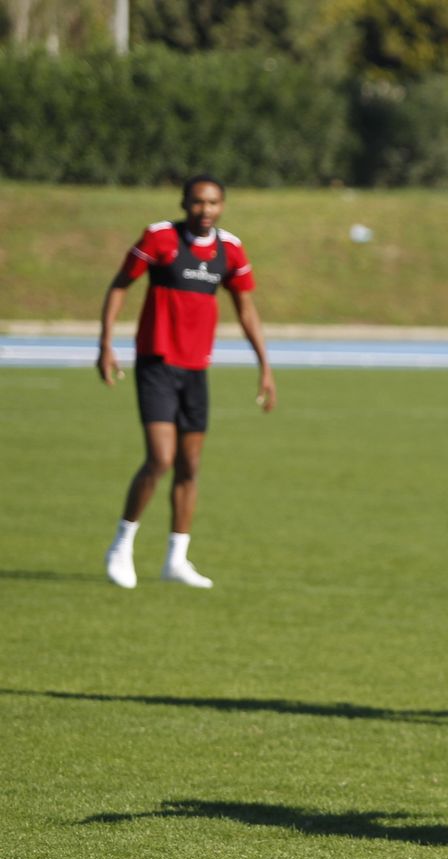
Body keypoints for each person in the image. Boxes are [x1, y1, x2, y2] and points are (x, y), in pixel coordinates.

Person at [97, 174, 275, 590]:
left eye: (213, 203)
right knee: (160, 458)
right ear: (184, 203)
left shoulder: (230, 250)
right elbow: (120, 286)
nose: (205, 210)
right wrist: (106, 343)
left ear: (222, 206)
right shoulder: (159, 239)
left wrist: (265, 365)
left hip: (196, 368)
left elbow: (246, 309)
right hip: (157, 363)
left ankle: (176, 558)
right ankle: (122, 545)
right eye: (197, 202)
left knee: (189, 465)